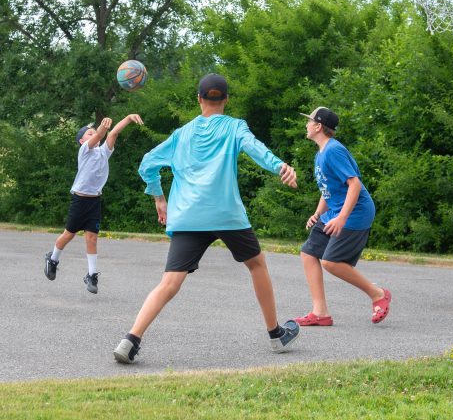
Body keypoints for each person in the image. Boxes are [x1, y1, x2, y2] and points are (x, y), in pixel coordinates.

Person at [113, 73, 300, 364]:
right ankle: (276, 335)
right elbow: (255, 148)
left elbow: (148, 163)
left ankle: (130, 340)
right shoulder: (235, 127)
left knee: (169, 283)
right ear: (226, 99)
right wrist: (280, 167)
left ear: (198, 99)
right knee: (256, 264)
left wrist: (159, 198)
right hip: (226, 214)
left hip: (188, 216)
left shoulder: (181, 135)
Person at [294, 107, 391, 327]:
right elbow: (328, 189)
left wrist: (343, 217)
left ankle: (378, 294)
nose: (306, 125)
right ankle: (320, 313)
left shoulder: (333, 151)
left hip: (355, 212)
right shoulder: (321, 153)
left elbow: (354, 184)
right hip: (334, 212)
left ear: (318, 126)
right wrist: (318, 213)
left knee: (331, 262)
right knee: (308, 254)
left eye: (309, 121)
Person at [43, 114, 144, 294]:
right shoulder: (85, 151)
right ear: (82, 141)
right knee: (69, 234)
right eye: (89, 134)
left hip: (94, 201)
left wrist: (128, 119)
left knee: (92, 238)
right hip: (79, 200)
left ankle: (91, 275)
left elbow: (112, 134)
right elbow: (100, 135)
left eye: (93, 133)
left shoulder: (103, 152)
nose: (93, 136)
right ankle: (53, 259)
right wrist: (100, 130)